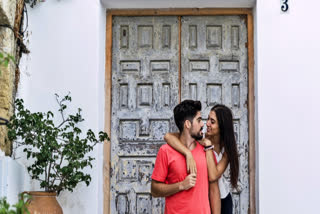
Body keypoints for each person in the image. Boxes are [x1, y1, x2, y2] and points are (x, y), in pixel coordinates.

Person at [164, 104, 239, 214]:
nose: (207, 123)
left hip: (223, 200)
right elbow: (168, 136)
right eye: (208, 118)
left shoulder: (227, 150)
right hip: (204, 199)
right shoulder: (200, 136)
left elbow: (213, 175)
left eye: (212, 122)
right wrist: (187, 153)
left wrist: (208, 147)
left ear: (222, 126)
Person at [151, 100, 220, 214]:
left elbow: (214, 189)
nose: (203, 124)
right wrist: (181, 185)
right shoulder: (166, 151)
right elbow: (154, 190)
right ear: (188, 124)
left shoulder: (206, 150)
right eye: (199, 120)